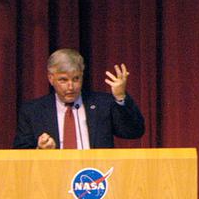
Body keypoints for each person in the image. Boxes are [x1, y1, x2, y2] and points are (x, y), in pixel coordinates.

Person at [13, 48, 145, 149]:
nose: (71, 87)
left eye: (76, 79)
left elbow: (134, 131)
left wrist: (120, 96)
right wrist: (40, 150)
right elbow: (20, 156)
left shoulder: (103, 104)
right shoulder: (33, 111)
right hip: (52, 179)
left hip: (96, 179)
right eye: (63, 80)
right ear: (51, 78)